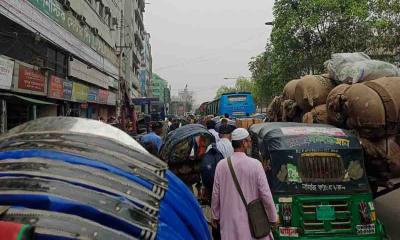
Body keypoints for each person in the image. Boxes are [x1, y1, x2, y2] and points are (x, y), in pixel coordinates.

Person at [211, 128, 278, 240]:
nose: (251, 143)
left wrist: (215, 215)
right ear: (244, 143)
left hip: (228, 224)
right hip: (252, 224)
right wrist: (273, 217)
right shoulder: (256, 165)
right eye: (249, 140)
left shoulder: (221, 165)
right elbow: (265, 194)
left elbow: (215, 194)